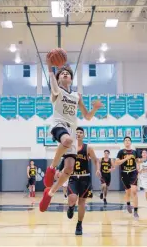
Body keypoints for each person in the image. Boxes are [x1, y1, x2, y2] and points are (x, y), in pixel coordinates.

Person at [39, 58, 103, 212]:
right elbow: (54, 87)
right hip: (59, 125)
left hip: (72, 130)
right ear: (59, 78)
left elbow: (86, 116)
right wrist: (50, 68)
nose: (65, 74)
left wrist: (94, 109)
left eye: (68, 73)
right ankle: (52, 168)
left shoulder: (77, 96)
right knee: (66, 140)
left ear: (71, 78)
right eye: (63, 73)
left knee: (69, 169)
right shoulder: (57, 92)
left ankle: (51, 192)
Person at [57, 127, 101, 235]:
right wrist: (58, 170)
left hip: (85, 178)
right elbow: (64, 161)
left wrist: (98, 169)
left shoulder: (88, 148)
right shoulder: (69, 148)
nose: (79, 134)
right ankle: (71, 207)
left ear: (84, 135)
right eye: (77, 133)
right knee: (72, 198)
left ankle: (79, 224)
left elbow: (96, 160)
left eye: (81, 132)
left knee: (82, 202)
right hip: (73, 177)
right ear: (74, 135)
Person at [115, 136, 139, 218]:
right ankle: (128, 203)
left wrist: (139, 167)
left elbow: (137, 162)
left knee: (134, 191)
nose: (127, 141)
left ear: (131, 142)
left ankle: (136, 211)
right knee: (128, 192)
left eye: (129, 140)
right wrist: (126, 159)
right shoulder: (121, 152)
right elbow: (117, 162)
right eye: (126, 140)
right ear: (124, 142)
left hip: (133, 172)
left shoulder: (135, 152)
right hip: (124, 173)